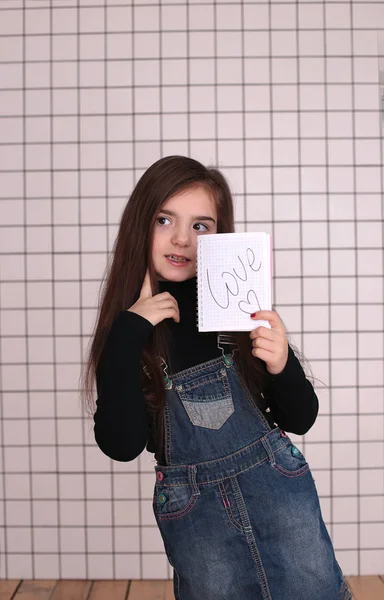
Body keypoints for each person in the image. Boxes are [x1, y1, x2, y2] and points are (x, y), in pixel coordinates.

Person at [83, 156, 352, 600]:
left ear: (219, 235)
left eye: (201, 226)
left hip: (281, 501)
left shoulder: (235, 308)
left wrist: (283, 363)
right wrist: (127, 335)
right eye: (165, 219)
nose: (182, 239)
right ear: (140, 225)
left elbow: (300, 418)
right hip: (198, 519)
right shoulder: (129, 333)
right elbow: (122, 445)